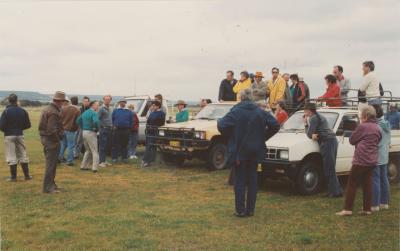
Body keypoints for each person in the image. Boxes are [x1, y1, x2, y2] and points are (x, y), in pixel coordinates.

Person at [218, 89, 280, 217]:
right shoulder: (259, 111)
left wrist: (232, 136)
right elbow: (275, 124)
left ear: (241, 97)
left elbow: (221, 125)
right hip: (255, 151)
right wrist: (263, 137)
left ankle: (240, 210)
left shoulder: (236, 111)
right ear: (251, 98)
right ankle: (250, 210)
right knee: (252, 180)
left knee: (240, 181)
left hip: (240, 151)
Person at [336, 105, 381, 216]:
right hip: (372, 160)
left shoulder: (363, 127)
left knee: (352, 183)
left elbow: (352, 140)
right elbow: (378, 140)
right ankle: (367, 209)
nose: (360, 118)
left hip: (360, 159)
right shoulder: (377, 127)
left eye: (361, 116)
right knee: (367, 184)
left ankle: (347, 209)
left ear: (365, 116)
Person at [304, 103, 342, 197]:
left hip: (327, 142)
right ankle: (336, 191)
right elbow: (312, 134)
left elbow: (309, 134)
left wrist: (305, 123)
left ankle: (334, 192)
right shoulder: (319, 116)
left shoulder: (313, 118)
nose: (304, 112)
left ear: (309, 110)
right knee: (331, 167)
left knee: (329, 168)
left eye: (305, 110)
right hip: (332, 140)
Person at [39, 91, 66, 193]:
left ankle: (52, 185)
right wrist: (57, 140)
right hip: (51, 141)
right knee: (51, 165)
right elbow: (51, 130)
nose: (63, 103)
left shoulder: (47, 109)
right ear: (60, 101)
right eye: (63, 101)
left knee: (52, 164)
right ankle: (48, 187)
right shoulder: (54, 112)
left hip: (46, 139)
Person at [0, 94, 32, 182]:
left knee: (11, 156)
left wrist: (7, 131)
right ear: (17, 100)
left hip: (9, 135)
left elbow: (1, 126)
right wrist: (19, 129)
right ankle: (27, 175)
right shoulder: (23, 111)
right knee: (23, 154)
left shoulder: (6, 111)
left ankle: (13, 177)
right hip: (20, 134)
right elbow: (28, 125)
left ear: (9, 101)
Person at [371, 104, 391, 211]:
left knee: (375, 179)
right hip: (384, 154)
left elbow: (375, 142)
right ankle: (384, 202)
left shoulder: (377, 126)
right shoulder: (386, 123)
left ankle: (374, 204)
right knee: (384, 178)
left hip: (376, 154)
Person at [76, 101, 100, 172]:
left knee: (87, 150)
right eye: (97, 105)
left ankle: (83, 166)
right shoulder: (94, 113)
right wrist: (96, 129)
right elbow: (96, 122)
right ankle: (95, 168)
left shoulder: (85, 112)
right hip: (91, 132)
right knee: (95, 150)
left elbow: (78, 121)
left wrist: (83, 127)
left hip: (84, 132)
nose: (98, 107)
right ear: (93, 105)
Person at [142, 100, 166, 167]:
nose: (152, 107)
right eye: (152, 105)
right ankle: (148, 161)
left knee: (151, 147)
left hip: (155, 132)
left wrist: (154, 127)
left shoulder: (161, 113)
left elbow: (161, 123)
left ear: (158, 106)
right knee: (148, 146)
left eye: (154, 106)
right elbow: (148, 121)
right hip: (149, 131)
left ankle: (147, 161)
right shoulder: (152, 113)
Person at [58, 96, 80, 166]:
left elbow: (60, 118)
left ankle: (59, 158)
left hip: (63, 129)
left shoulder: (64, 108)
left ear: (70, 101)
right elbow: (78, 121)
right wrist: (76, 128)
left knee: (63, 144)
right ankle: (70, 161)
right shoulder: (77, 110)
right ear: (77, 101)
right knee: (71, 145)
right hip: (71, 130)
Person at [112, 99, 133, 163]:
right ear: (119, 103)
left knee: (125, 144)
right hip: (117, 129)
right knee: (115, 144)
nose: (122, 103)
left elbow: (131, 120)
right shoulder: (115, 110)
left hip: (126, 130)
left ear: (125, 103)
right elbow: (112, 119)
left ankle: (124, 158)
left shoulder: (129, 111)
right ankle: (114, 158)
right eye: (121, 102)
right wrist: (114, 125)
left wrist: (129, 128)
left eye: (123, 102)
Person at [98, 95, 113, 168]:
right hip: (103, 129)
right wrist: (101, 127)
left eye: (109, 99)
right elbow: (98, 119)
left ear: (110, 100)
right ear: (103, 100)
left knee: (107, 145)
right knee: (102, 146)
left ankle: (104, 160)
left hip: (109, 129)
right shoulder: (101, 108)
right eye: (106, 99)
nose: (107, 101)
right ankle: (101, 162)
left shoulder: (111, 108)